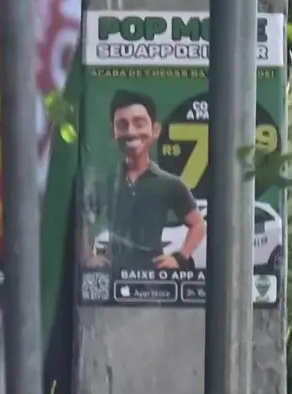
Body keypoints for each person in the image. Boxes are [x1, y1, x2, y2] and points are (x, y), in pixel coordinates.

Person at [86, 90, 204, 278]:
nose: (131, 132)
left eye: (139, 123)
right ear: (113, 132)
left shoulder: (170, 184)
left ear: (155, 130)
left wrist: (179, 258)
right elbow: (82, 222)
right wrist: (88, 257)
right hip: (114, 276)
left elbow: (198, 224)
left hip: (154, 279)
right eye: (122, 125)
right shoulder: (106, 182)